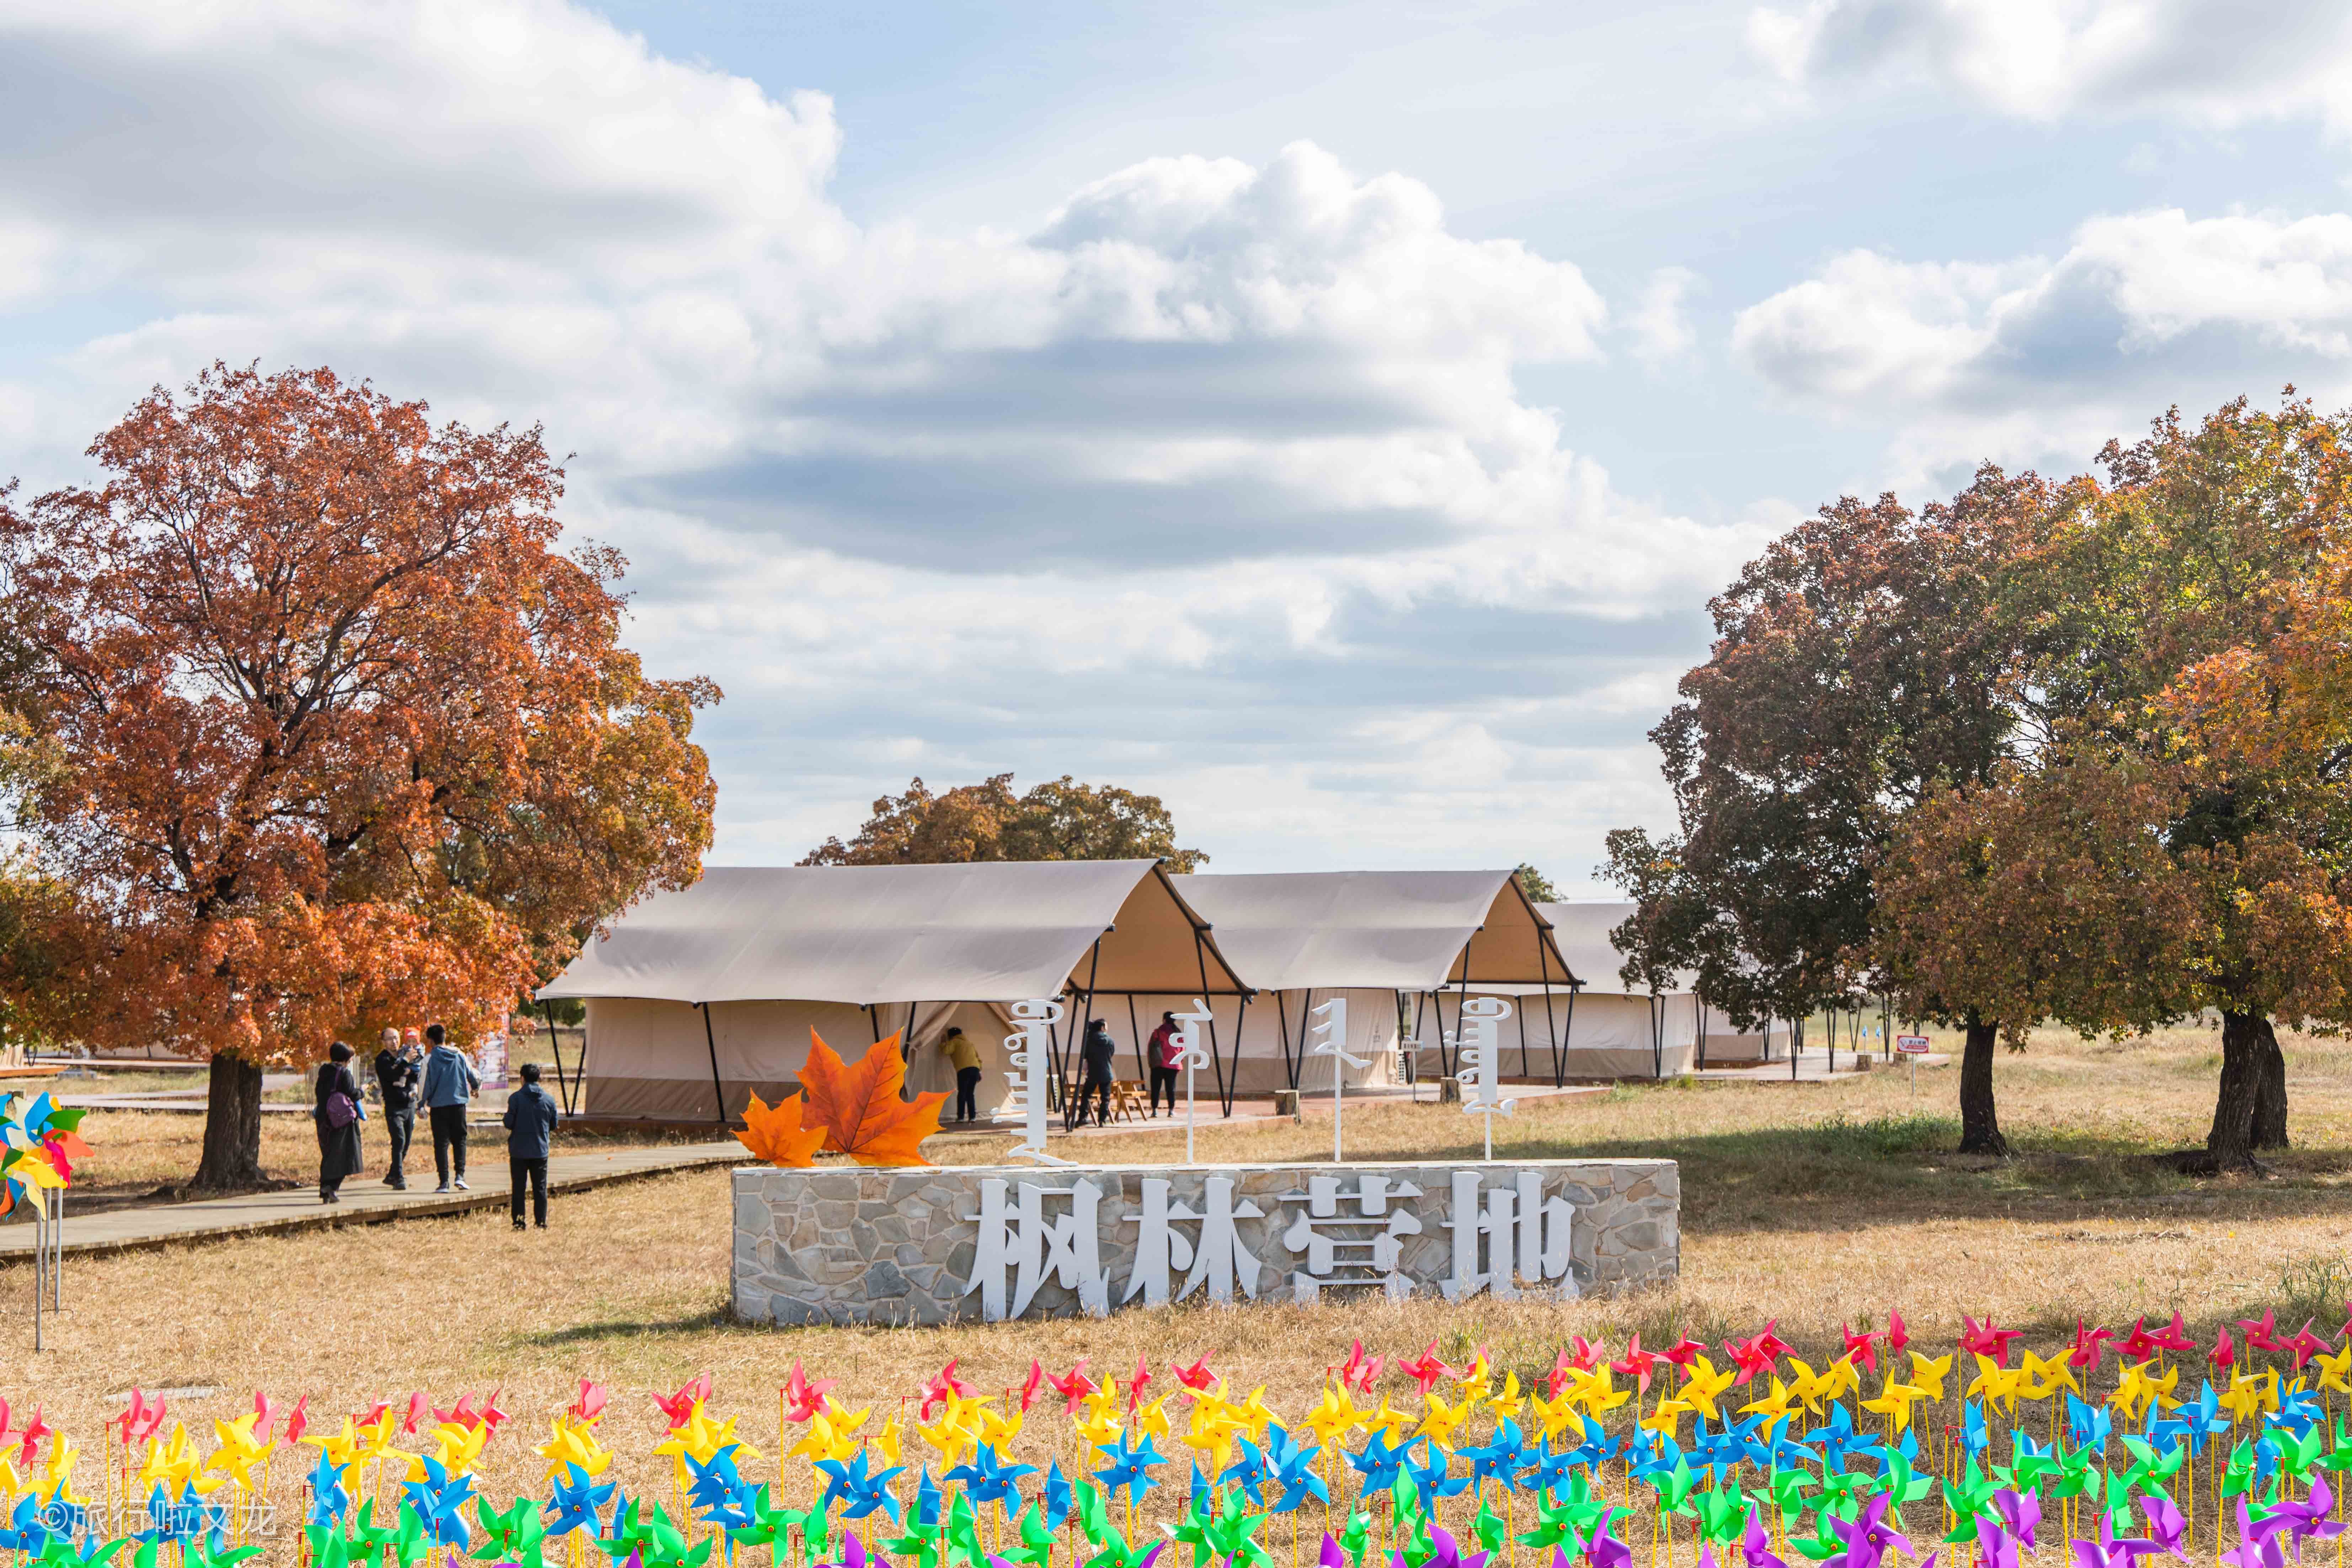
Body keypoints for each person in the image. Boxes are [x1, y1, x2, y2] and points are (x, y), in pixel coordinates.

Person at [418, 1022, 480, 1193]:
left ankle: (444, 1182)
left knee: (441, 1144)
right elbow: (472, 1073)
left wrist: (421, 1103)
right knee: (460, 1140)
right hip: (459, 1104)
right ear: (445, 1037)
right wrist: (475, 1087)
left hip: (438, 1107)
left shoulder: (429, 1059)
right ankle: (460, 1176)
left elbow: (424, 1084)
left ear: (430, 1041)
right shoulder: (459, 1054)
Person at [502, 1061, 561, 1230]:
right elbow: (554, 1124)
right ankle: (541, 1222)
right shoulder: (549, 1100)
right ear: (538, 1078)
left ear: (522, 1078)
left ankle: (519, 1222)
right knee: (540, 1188)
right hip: (540, 1150)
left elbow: (509, 1123)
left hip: (519, 1151)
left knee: (519, 1189)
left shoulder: (515, 1099)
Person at [314, 1041, 366, 1204]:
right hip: (341, 1119)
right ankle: (332, 1188)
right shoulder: (344, 1074)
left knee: (329, 1152)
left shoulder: (324, 1071)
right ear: (346, 1058)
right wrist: (362, 1091)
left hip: (324, 1117)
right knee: (344, 1153)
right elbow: (353, 1094)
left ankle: (325, 1188)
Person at [373, 1026, 420, 1190]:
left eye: (396, 1038)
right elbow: (392, 1076)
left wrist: (411, 1064)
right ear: (384, 1042)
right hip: (394, 1106)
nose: (394, 1042)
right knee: (399, 1139)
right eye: (390, 1039)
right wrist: (405, 1063)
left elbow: (415, 1075)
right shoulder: (382, 1059)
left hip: (409, 1104)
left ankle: (392, 1174)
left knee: (406, 1143)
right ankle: (399, 1177)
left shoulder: (405, 1053)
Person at [1076, 1018, 1116, 1128]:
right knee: (1105, 1098)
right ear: (1102, 1028)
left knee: (1086, 1096)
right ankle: (1102, 1120)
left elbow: (1085, 1056)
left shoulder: (1089, 1040)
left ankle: (1082, 1118)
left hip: (1093, 1072)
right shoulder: (1110, 1041)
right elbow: (1111, 1054)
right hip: (1106, 1072)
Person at [939, 1026, 983, 1123]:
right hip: (975, 1069)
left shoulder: (955, 1042)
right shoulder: (969, 1044)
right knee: (970, 1094)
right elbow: (978, 1058)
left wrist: (943, 1042)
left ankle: (961, 1118)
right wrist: (979, 1072)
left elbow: (946, 1051)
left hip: (964, 1070)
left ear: (951, 1035)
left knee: (962, 1094)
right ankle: (973, 1117)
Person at [1147, 1010, 1183, 1116]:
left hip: (1158, 1064)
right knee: (1171, 1088)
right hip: (1173, 1065)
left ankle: (1154, 1110)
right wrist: (1180, 1063)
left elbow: (1151, 1048)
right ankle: (1171, 1110)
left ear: (1164, 1020)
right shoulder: (1178, 1033)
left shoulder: (1158, 1032)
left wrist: (1151, 1062)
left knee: (1156, 1088)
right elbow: (1182, 1049)